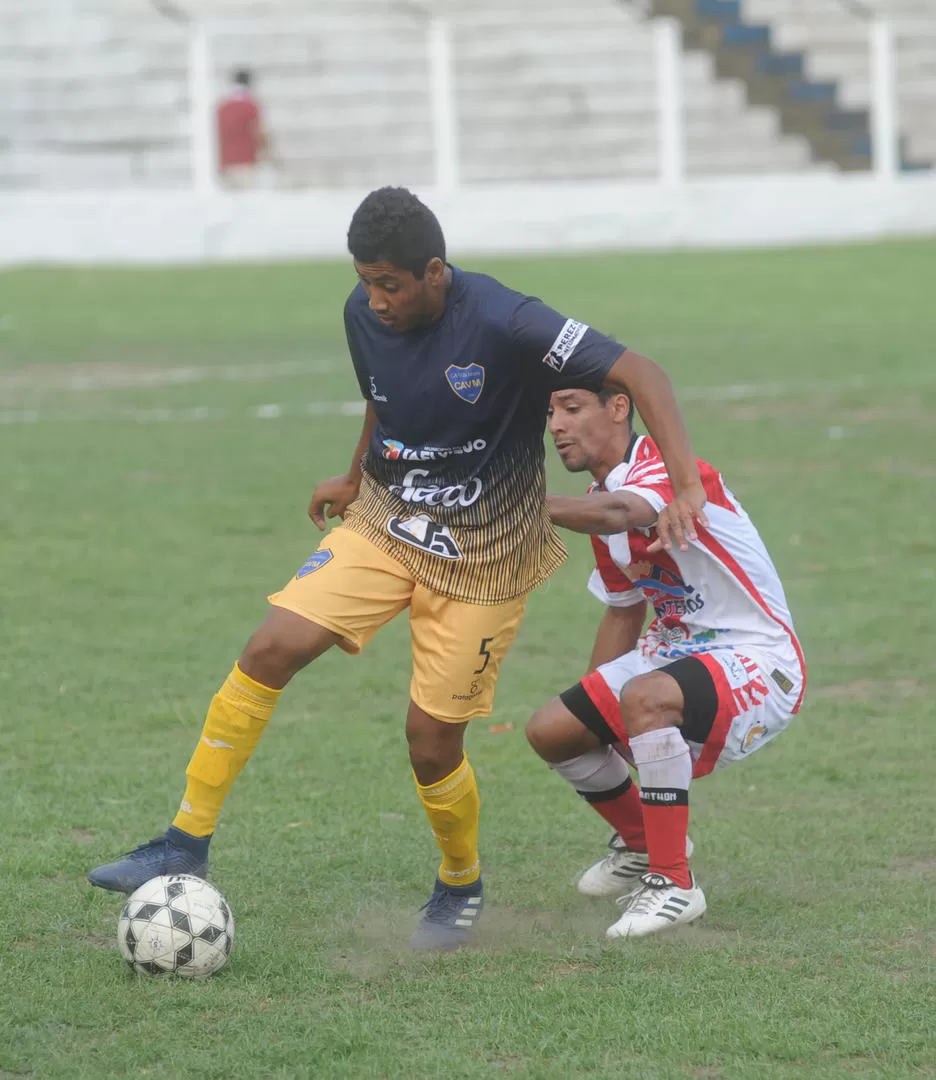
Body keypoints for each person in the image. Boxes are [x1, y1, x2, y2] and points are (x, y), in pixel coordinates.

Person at [88, 187, 707, 951]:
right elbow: (382, 401)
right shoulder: (361, 314)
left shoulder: (508, 319)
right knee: (270, 647)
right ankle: (184, 838)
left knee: (429, 742)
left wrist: (682, 484)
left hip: (486, 553)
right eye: (365, 281)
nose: (374, 300)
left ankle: (459, 881)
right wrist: (354, 479)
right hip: (387, 519)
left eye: (390, 284)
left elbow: (643, 373)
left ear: (434, 274)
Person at [526, 387, 806, 939]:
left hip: (757, 657)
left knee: (645, 697)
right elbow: (623, 612)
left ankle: (673, 882)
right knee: (554, 731)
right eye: (550, 411)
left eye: (572, 408)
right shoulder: (598, 502)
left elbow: (619, 511)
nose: (556, 425)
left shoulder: (670, 471)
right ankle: (643, 843)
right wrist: (595, 725)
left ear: (619, 407)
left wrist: (514, 501)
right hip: (675, 651)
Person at [217, 68, 269, 188]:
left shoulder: (222, 106)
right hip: (246, 161)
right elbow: (260, 132)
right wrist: (266, 151)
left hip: (226, 162)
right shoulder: (250, 105)